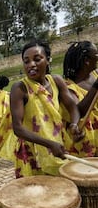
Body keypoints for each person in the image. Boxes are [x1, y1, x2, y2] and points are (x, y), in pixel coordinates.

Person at [10, 39, 84, 178]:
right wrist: (49, 144)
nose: (31, 64)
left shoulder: (56, 81)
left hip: (60, 147)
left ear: (48, 60)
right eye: (26, 61)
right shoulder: (20, 89)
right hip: (34, 152)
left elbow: (72, 107)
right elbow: (17, 128)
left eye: (37, 59)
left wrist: (74, 125)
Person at [63, 41, 98, 157]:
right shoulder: (68, 87)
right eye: (96, 55)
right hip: (85, 144)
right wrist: (96, 86)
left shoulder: (95, 75)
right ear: (86, 61)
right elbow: (79, 110)